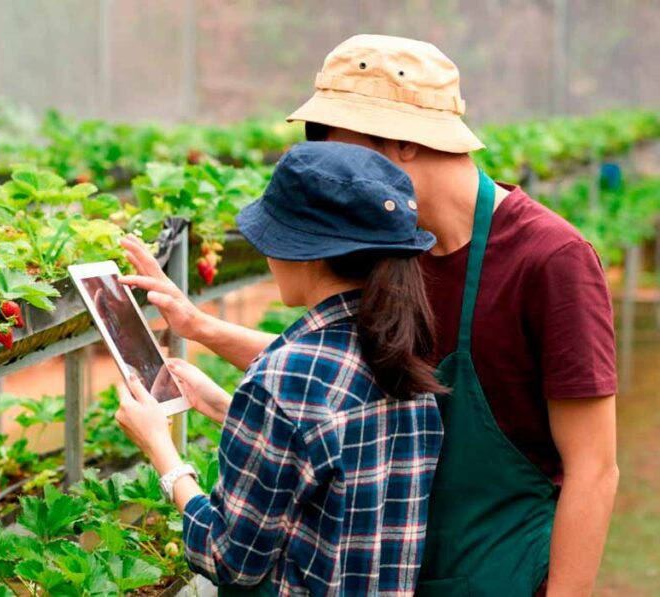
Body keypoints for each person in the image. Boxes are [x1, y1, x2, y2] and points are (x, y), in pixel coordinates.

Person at [125, 34, 619, 596]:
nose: (327, 161)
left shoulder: (550, 259)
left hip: (499, 575)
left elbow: (595, 470)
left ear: (401, 141)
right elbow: (348, 375)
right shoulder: (391, 251)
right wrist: (200, 327)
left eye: (331, 139)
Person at [115, 141, 445, 595]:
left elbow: (230, 558)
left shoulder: (284, 380)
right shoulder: (403, 349)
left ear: (305, 252)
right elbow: (329, 461)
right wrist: (227, 408)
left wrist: (160, 450)